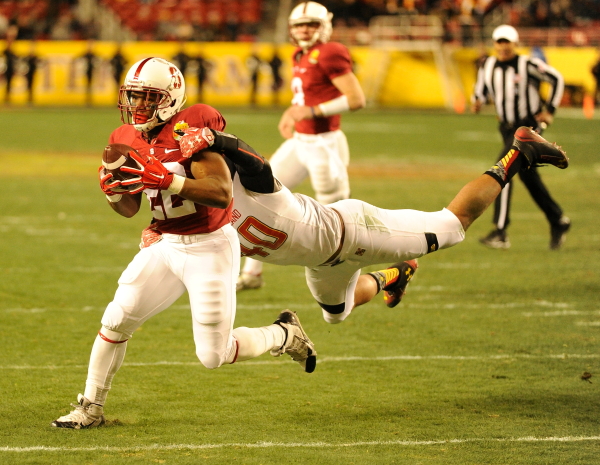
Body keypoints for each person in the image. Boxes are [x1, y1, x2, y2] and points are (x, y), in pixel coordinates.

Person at [51, 58, 316, 430]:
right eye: (134, 97)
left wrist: (168, 181)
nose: (138, 106)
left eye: (148, 98)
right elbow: (129, 208)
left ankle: (283, 334)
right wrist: (112, 193)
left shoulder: (190, 126)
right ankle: (91, 407)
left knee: (214, 354)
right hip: (165, 243)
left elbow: (221, 193)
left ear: (171, 98)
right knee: (116, 319)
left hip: (210, 245)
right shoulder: (124, 138)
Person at [145, 123, 569, 324]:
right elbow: (180, 234)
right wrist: (159, 232)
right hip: (322, 260)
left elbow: (257, 163)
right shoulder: (198, 213)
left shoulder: (247, 183)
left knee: (454, 225)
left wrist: (220, 141)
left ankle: (520, 152)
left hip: (351, 231)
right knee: (335, 313)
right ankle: (395, 275)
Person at [237, 1, 366, 291]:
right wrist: (293, 113)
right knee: (258, 193)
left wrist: (311, 112)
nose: (304, 30)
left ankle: (348, 278)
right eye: (299, 25)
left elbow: (356, 99)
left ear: (325, 26)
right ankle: (252, 274)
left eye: (311, 24)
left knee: (337, 215)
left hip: (324, 144)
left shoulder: (331, 51)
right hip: (300, 142)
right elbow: (305, 100)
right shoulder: (300, 54)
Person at [472, 24, 570, 250]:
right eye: (500, 42)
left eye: (507, 42)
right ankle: (558, 220)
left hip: (528, 128)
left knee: (502, 169)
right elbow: (480, 88)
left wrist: (550, 110)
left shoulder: (527, 64)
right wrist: (476, 100)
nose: (503, 46)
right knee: (527, 176)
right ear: (495, 44)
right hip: (506, 128)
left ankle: (500, 230)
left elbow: (557, 78)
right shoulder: (487, 65)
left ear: (515, 44)